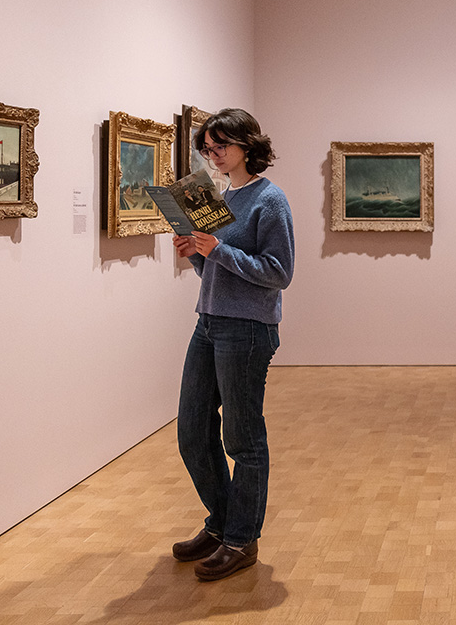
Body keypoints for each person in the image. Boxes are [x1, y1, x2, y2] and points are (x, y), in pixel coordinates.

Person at [169, 108, 295, 582]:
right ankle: (221, 524)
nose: (213, 155)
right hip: (208, 322)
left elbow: (279, 273)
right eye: (207, 148)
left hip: (247, 330)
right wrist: (197, 254)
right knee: (192, 430)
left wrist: (217, 249)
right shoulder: (217, 197)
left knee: (242, 439)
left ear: (247, 145)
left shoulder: (270, 200)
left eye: (220, 146)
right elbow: (217, 270)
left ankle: (242, 539)